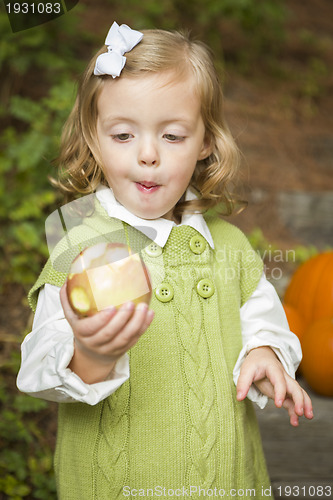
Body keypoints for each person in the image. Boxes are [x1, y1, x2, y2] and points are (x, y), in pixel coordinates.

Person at [17, 22, 313, 499]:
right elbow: (36, 368)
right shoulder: (84, 248)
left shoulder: (229, 247)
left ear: (206, 142)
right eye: (123, 135)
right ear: (94, 139)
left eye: (173, 136)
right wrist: (91, 353)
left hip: (228, 482)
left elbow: (265, 321)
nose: (148, 154)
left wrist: (265, 351)